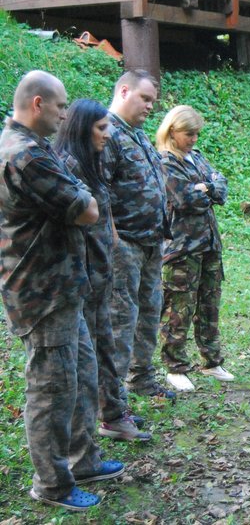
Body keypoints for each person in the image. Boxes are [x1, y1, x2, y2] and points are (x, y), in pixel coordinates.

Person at [0, 71, 124, 511]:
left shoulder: (34, 148)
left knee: (79, 377)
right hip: (42, 292)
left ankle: (82, 458)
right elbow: (86, 210)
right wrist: (83, 196)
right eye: (59, 106)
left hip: (62, 287)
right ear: (37, 104)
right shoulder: (26, 156)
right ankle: (51, 484)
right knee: (52, 390)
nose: (65, 115)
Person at [54, 99, 151, 441]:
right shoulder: (64, 165)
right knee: (87, 354)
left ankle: (114, 413)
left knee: (107, 345)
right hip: (78, 277)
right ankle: (95, 424)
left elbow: (104, 209)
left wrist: (112, 243)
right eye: (100, 128)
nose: (108, 134)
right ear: (81, 128)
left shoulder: (90, 161)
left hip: (102, 270)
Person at [104, 70, 175, 401]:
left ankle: (142, 377)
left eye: (152, 101)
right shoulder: (105, 134)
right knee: (122, 319)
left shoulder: (138, 135)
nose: (150, 106)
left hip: (150, 242)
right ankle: (113, 398)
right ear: (123, 91)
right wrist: (114, 240)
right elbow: (97, 191)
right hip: (125, 245)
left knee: (149, 310)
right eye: (144, 98)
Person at [156, 105, 234, 390]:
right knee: (179, 308)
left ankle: (211, 361)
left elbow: (221, 186)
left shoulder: (197, 159)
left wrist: (207, 188)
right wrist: (204, 189)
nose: (194, 139)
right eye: (189, 133)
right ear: (172, 131)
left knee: (209, 304)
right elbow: (185, 200)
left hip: (209, 243)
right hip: (182, 247)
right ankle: (175, 366)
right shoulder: (165, 162)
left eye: (197, 134)